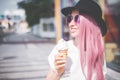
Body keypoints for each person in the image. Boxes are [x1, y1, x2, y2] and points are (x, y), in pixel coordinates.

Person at [46, 0, 107, 80]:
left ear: (90, 23)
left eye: (77, 19)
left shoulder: (98, 52)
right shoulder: (62, 48)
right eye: (69, 18)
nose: (71, 24)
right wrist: (57, 72)